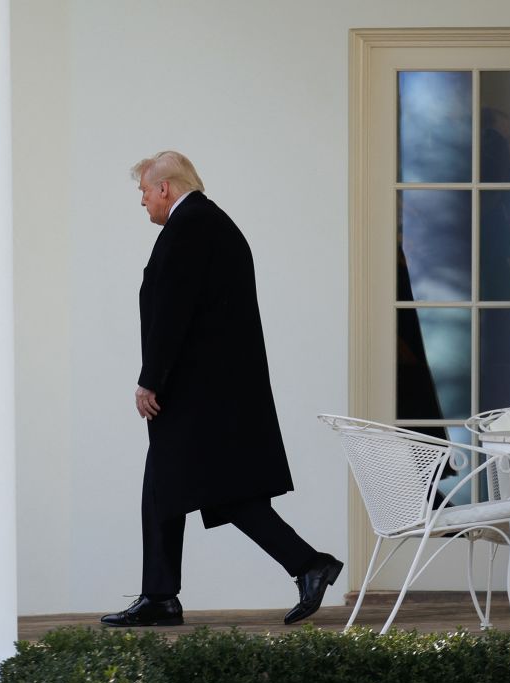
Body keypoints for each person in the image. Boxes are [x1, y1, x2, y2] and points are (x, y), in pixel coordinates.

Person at [101, 151, 342, 628]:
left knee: (209, 492)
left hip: (198, 393)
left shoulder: (189, 227)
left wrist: (151, 378)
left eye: (144, 192)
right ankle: (163, 595)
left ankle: (304, 565)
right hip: (213, 391)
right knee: (180, 489)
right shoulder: (208, 222)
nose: (143, 202)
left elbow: (173, 310)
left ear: (165, 188)